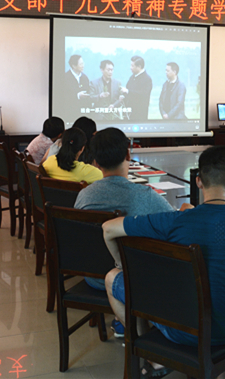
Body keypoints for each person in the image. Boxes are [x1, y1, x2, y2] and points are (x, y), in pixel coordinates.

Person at [102, 146, 225, 378]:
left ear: (199, 181)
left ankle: (152, 353)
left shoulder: (174, 221)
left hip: (180, 330)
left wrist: (121, 265)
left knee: (112, 278)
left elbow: (108, 229)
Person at [75, 127, 187, 338]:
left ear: (95, 162)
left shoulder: (84, 195)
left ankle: (123, 321)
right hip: (133, 278)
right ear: (128, 154)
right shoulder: (144, 195)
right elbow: (176, 224)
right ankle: (139, 328)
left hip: (93, 277)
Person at [121, 55, 153, 121]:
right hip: (129, 114)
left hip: (140, 114)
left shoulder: (147, 79)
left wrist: (128, 92)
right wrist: (123, 95)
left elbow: (143, 95)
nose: (130, 68)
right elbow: (127, 90)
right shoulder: (132, 77)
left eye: (132, 66)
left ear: (139, 67)